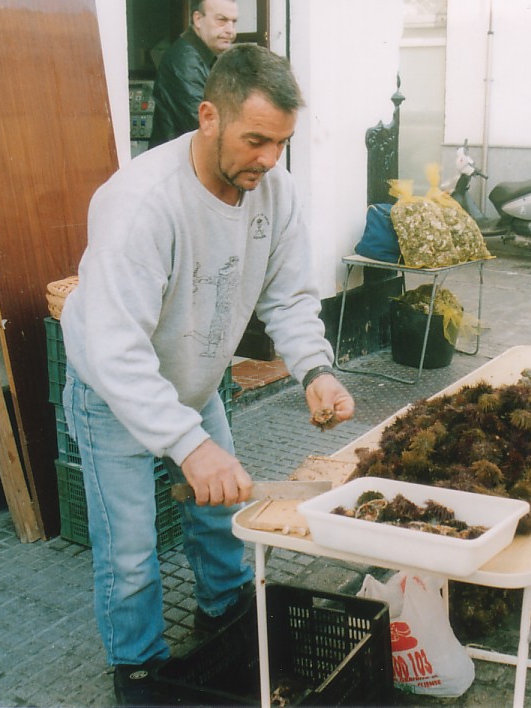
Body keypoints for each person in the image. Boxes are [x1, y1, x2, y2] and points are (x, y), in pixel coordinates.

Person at [60, 45, 356, 704]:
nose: (269, 159)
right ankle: (138, 667)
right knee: (131, 550)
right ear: (208, 117)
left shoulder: (275, 192)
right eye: (255, 140)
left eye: (282, 143)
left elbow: (289, 296)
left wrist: (314, 370)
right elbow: (114, 350)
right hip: (113, 392)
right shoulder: (140, 203)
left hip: (194, 379)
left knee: (222, 512)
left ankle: (224, 614)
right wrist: (189, 446)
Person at [149, 0, 238, 148]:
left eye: (233, 22)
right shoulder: (185, 61)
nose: (231, 31)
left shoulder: (201, 57)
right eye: (221, 20)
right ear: (198, 19)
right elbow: (205, 126)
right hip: (180, 159)